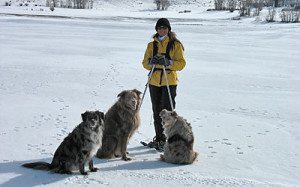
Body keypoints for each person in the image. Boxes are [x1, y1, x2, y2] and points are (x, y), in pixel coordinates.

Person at [142, 18, 186, 150]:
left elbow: (181, 63)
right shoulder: (152, 45)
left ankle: (169, 139)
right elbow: (145, 64)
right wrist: (152, 61)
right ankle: (159, 138)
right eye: (160, 28)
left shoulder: (175, 45)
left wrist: (169, 63)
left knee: (168, 111)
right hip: (154, 81)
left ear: (168, 29)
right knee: (157, 111)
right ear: (156, 30)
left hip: (169, 81)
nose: (162, 30)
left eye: (164, 28)